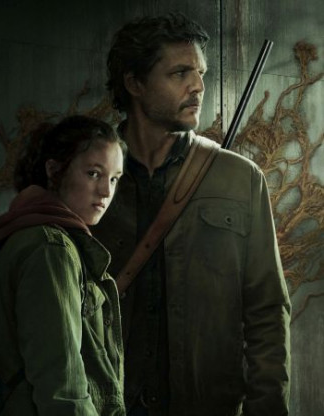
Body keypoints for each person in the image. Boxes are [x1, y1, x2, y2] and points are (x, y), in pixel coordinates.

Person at [91, 12, 291, 416]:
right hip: (105, 403)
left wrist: (267, 408)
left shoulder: (240, 179)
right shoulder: (88, 177)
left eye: (200, 73)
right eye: (180, 73)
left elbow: (267, 311)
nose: (198, 85)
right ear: (135, 84)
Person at [0, 115, 126, 415]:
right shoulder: (51, 249)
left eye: (114, 179)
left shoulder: (30, 233)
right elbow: (63, 391)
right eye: (94, 174)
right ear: (54, 170)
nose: (106, 192)